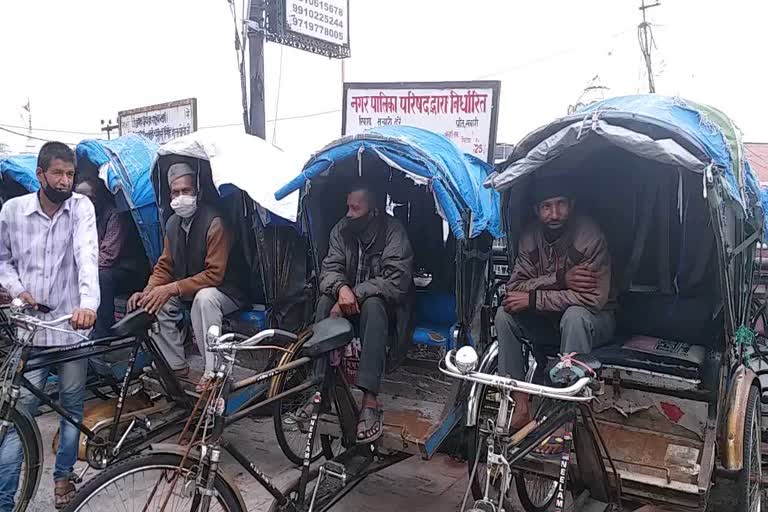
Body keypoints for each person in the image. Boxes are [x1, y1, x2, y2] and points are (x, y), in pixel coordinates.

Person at [0, 142, 99, 509]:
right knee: (18, 415)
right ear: (40, 174)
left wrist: (88, 305)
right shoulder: (12, 212)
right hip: (30, 328)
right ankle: (5, 500)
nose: (64, 181)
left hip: (72, 327)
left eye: (70, 174)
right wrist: (18, 290)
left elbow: (87, 256)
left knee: (71, 407)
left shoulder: (80, 208)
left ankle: (63, 478)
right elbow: (2, 260)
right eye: (57, 173)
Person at [495, 177, 615, 450]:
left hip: (596, 319)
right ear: (537, 210)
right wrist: (558, 277)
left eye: (560, 204)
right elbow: (514, 289)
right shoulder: (530, 236)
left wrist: (535, 298)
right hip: (554, 319)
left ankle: (564, 420)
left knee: (575, 315)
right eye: (547, 207)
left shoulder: (589, 237)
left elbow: (590, 299)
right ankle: (521, 403)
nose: (554, 213)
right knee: (505, 315)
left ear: (571, 205)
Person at [127, 163, 244, 391]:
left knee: (205, 298)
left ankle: (213, 371)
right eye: (175, 192)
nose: (181, 197)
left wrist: (171, 288)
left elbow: (215, 275)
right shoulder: (172, 223)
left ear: (197, 191)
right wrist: (148, 290)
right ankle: (175, 366)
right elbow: (165, 265)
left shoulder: (215, 222)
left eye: (186, 191)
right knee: (154, 301)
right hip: (190, 289)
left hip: (228, 291)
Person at [315, 181, 414, 443]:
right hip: (347, 306)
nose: (349, 213)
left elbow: (396, 282)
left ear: (374, 211)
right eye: (348, 207)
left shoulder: (394, 232)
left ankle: (370, 401)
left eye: (355, 208)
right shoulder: (341, 230)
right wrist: (340, 289)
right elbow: (329, 269)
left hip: (387, 314)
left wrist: (354, 293)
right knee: (324, 302)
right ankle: (320, 390)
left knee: (373, 304)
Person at [74, 179, 148, 339]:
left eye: (89, 198)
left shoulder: (113, 215)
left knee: (101, 277)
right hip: (99, 265)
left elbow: (108, 257)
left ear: (98, 198)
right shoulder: (80, 217)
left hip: (128, 270)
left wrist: (81, 269)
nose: (84, 203)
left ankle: (104, 333)